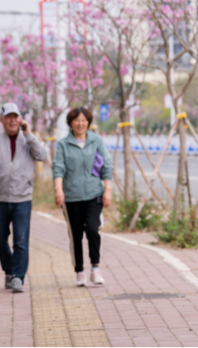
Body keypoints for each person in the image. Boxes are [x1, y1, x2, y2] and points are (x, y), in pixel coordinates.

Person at [0, 103, 48, 294]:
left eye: (15, 116)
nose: (12, 120)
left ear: (21, 119)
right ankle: (9, 271)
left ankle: (17, 277)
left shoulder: (28, 139)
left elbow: (42, 155)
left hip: (22, 198)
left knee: (21, 241)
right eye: (8, 116)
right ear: (1, 120)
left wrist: (30, 135)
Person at [53, 107, 113, 287]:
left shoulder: (96, 140)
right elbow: (58, 168)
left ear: (88, 122)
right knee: (76, 235)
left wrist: (108, 189)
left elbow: (107, 165)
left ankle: (95, 268)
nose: (80, 123)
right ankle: (79, 271)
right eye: (77, 120)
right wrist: (58, 190)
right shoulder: (64, 144)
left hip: (94, 194)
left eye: (84, 120)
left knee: (93, 229)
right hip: (71, 196)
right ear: (71, 123)